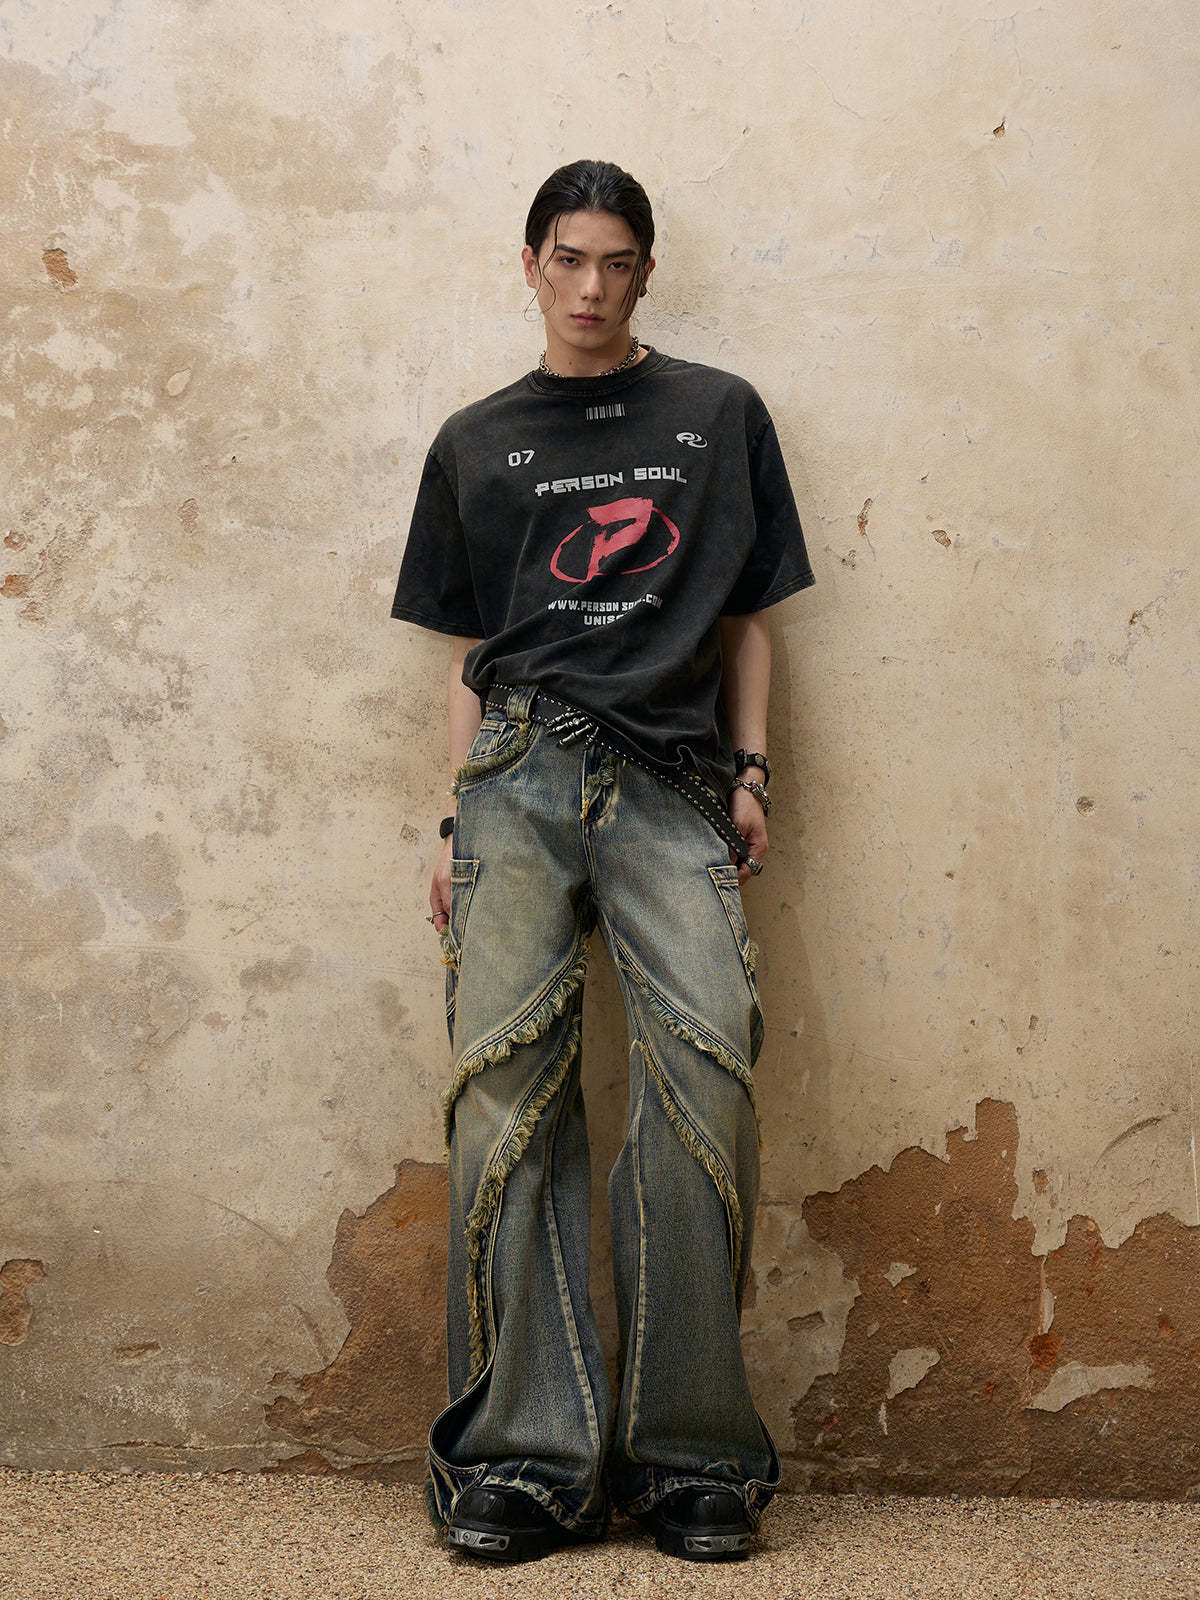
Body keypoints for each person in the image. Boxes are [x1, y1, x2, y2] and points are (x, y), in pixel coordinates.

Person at [389, 158, 814, 1564]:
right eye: (566, 260)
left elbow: (748, 615)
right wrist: (455, 819)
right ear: (530, 265)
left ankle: (691, 1456)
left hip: (675, 777)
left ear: (644, 271)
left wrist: (751, 773)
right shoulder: (475, 440)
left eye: (615, 263)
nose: (589, 288)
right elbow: (472, 650)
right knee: (503, 1096)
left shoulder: (716, 414)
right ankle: (524, 1459)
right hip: (516, 773)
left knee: (707, 1080)